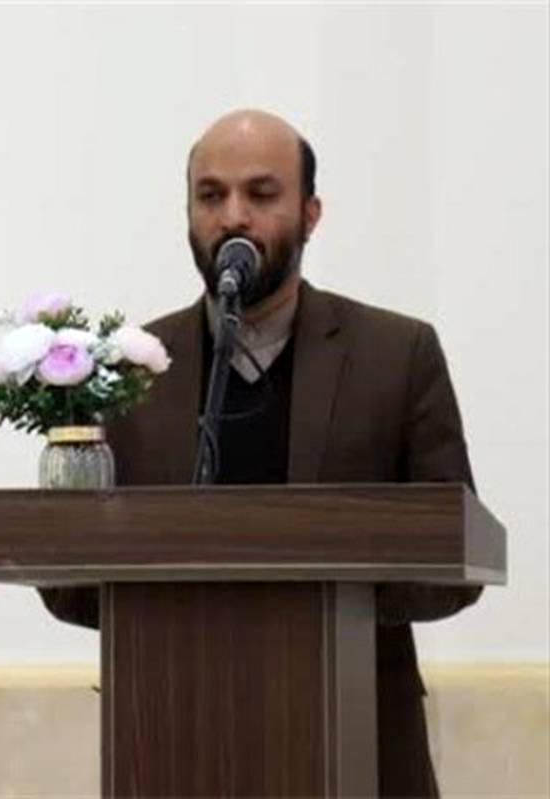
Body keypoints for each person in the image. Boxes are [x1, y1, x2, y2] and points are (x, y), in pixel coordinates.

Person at [39, 109, 481, 798]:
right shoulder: (126, 373)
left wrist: (319, 604)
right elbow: (69, 583)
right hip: (172, 744)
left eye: (262, 193)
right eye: (210, 195)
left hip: (355, 745)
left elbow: (456, 565)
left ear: (310, 214)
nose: (233, 216)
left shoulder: (397, 355)